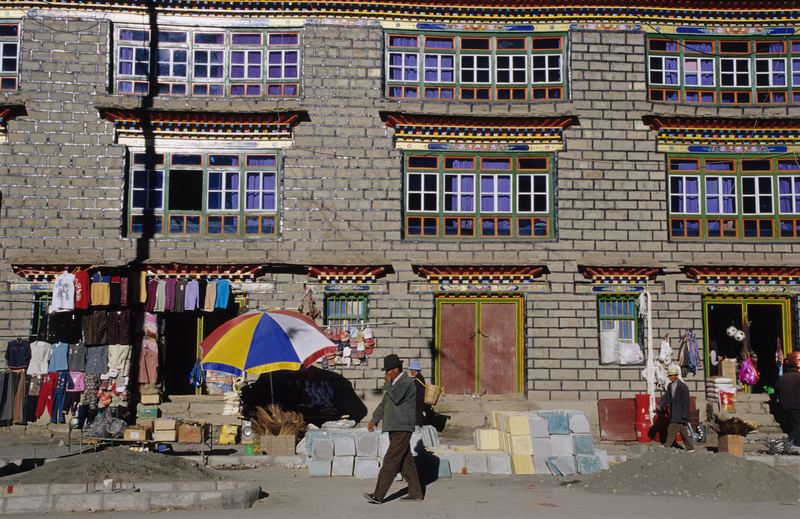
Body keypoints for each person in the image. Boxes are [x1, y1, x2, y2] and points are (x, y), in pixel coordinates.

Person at [363, 354, 424, 504]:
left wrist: (388, 384)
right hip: (394, 427)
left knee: (390, 460)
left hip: (402, 427)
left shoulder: (407, 382)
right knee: (406, 461)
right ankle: (416, 493)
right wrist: (374, 420)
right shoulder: (394, 383)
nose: (386, 374)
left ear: (395, 369)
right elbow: (384, 404)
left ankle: (378, 495)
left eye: (388, 371)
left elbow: (396, 398)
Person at [658, 364, 695, 452]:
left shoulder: (683, 387)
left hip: (680, 413)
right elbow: (667, 397)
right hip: (674, 412)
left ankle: (667, 445)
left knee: (671, 428)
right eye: (669, 376)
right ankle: (690, 448)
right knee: (683, 431)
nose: (670, 377)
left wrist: (685, 415)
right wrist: (661, 405)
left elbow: (686, 402)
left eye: (671, 376)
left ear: (676, 376)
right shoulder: (670, 386)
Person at [777, 351, 800, 446]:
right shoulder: (798, 377)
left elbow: (776, 388)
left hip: (785, 407)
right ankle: (790, 442)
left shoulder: (782, 378)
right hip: (796, 406)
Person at [408, 359, 430, 427]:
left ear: (414, 370)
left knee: (417, 419)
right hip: (419, 402)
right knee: (418, 417)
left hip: (418, 402)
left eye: (411, 370)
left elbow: (414, 390)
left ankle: (419, 432)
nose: (410, 372)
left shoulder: (418, 379)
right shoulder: (419, 377)